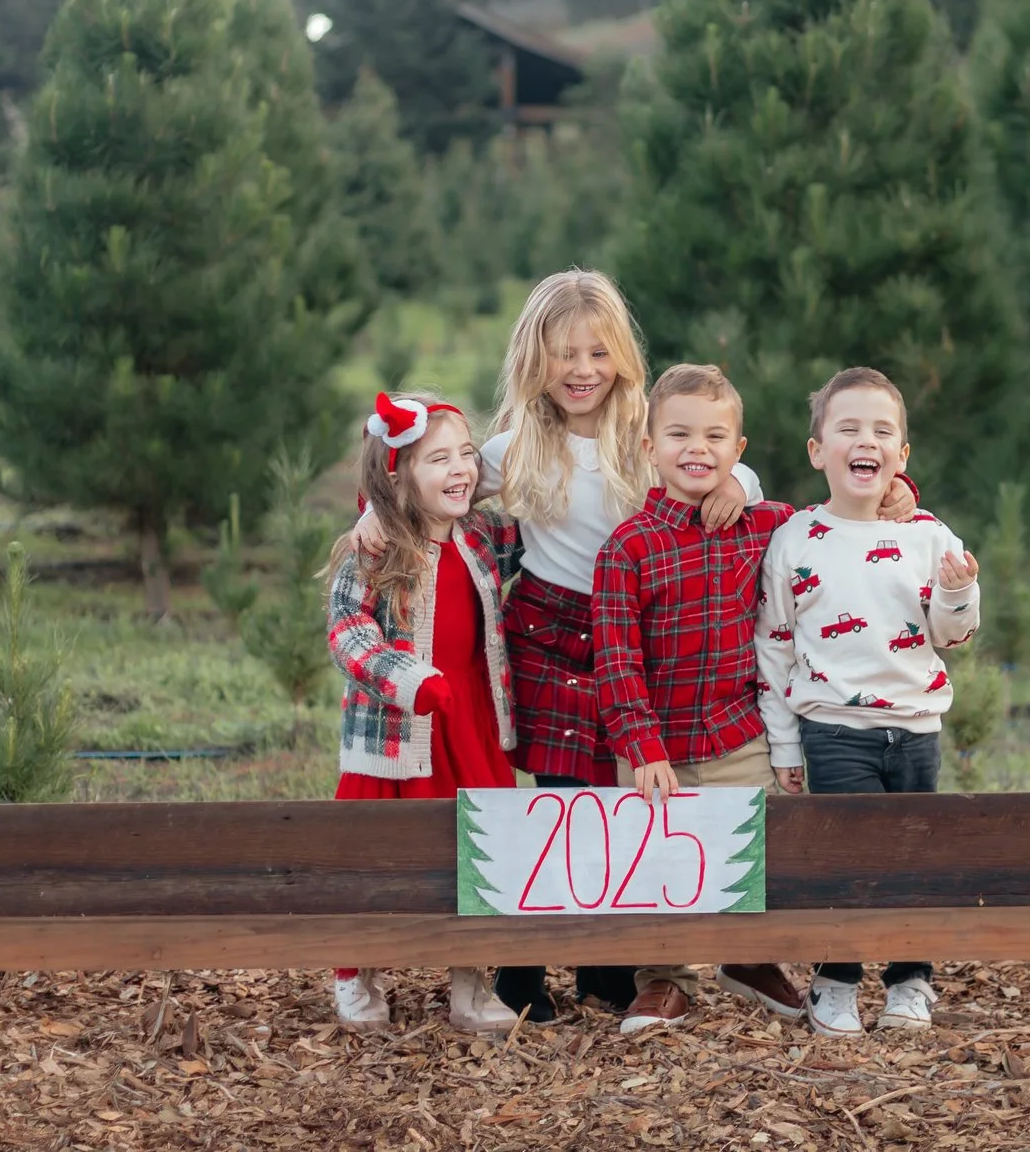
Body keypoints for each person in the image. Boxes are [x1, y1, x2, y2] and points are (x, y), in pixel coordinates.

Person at [359, 270, 759, 1022]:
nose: (582, 370)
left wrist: (734, 483)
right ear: (533, 358)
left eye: (598, 353)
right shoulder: (513, 447)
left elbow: (723, 463)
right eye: (564, 353)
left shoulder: (648, 434)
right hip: (547, 630)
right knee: (557, 799)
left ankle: (606, 966)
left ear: (621, 359)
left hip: (630, 632)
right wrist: (373, 515)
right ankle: (524, 968)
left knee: (619, 795)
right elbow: (436, 481)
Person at [756, 367, 980, 1038]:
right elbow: (774, 645)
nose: (866, 440)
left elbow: (954, 634)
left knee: (913, 858)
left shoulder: (930, 536)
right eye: (848, 428)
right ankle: (837, 980)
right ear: (816, 450)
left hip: (915, 726)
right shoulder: (796, 539)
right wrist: (785, 744)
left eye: (882, 431)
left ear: (901, 455)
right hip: (833, 728)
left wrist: (957, 592)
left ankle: (911, 980)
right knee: (846, 860)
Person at [590, 362, 809, 1036]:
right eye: (680, 434)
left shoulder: (766, 525)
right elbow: (616, 661)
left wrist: (897, 495)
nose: (698, 449)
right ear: (649, 446)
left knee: (763, 845)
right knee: (657, 860)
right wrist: (642, 747)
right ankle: (665, 978)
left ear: (738, 450)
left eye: (715, 437)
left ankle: (748, 956)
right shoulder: (628, 548)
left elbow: (838, 525)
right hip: (658, 745)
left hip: (738, 731)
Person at [323, 390, 524, 1037]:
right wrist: (407, 679)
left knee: (479, 845)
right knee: (375, 852)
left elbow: (524, 480)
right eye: (439, 458)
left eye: (466, 453)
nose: (461, 468)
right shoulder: (375, 549)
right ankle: (355, 970)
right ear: (397, 475)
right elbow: (348, 632)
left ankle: (469, 976)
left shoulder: (483, 535)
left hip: (469, 720)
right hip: (399, 726)